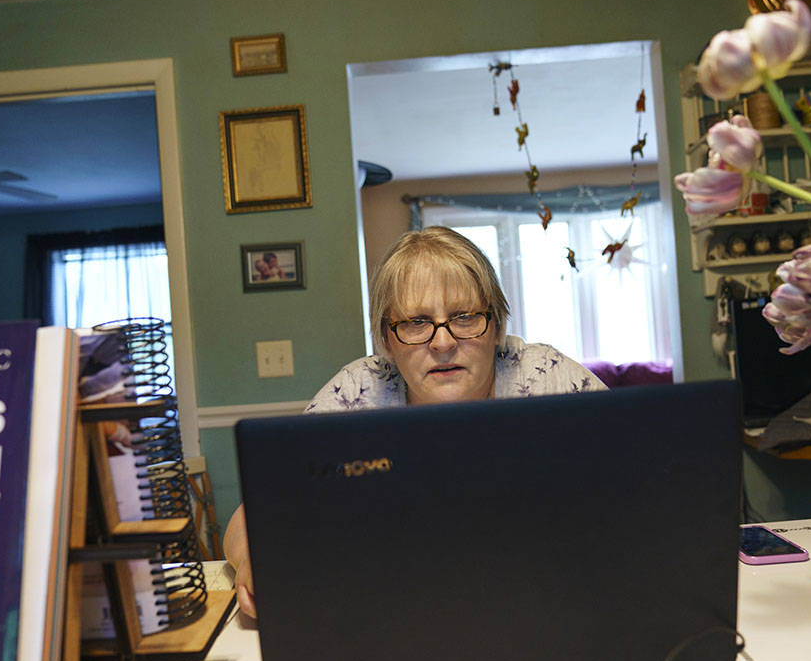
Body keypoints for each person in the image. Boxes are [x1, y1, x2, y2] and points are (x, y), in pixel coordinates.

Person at [223, 226, 606, 616]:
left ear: (497, 327)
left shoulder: (544, 375)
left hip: (545, 604)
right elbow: (254, 512)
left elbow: (636, 470)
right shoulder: (359, 391)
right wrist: (253, 559)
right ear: (387, 341)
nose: (442, 343)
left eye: (465, 316)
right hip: (398, 614)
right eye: (416, 323)